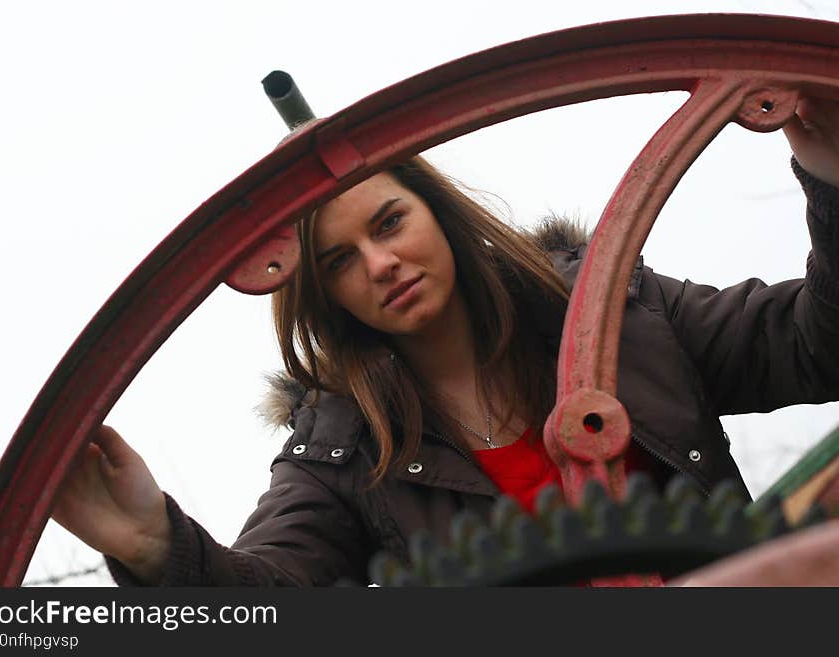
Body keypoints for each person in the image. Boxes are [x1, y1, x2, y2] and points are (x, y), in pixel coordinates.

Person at [51, 97, 839, 586]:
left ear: (438, 212)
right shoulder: (342, 455)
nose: (381, 263)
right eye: (340, 264)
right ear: (325, 301)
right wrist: (157, 542)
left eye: (389, 222)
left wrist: (828, 169)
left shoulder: (611, 311)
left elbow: (814, 343)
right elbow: (275, 597)